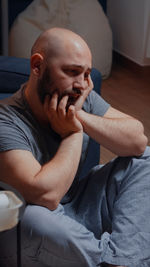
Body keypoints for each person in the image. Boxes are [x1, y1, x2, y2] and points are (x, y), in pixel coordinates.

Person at [0, 27, 149, 267]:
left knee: (146, 160)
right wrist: (72, 133)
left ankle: (120, 261)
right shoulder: (5, 120)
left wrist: (80, 118)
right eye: (71, 72)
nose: (81, 84)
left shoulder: (76, 96)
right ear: (37, 66)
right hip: (25, 228)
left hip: (77, 204)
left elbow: (138, 140)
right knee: (35, 217)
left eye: (87, 74)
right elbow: (44, 195)